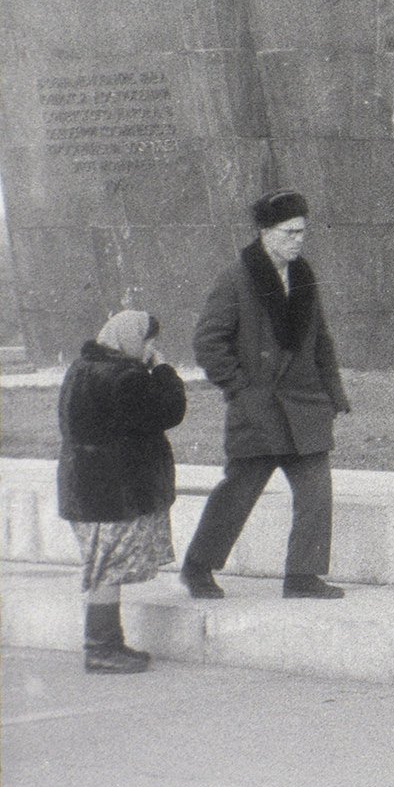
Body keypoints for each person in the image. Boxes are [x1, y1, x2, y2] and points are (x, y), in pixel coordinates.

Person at [181, 192, 353, 600]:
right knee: (238, 494)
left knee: (316, 495)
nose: (299, 240)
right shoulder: (236, 278)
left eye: (303, 232)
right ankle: (197, 567)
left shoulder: (304, 274)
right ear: (264, 233)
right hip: (259, 410)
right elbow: (208, 342)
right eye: (290, 232)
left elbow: (321, 340)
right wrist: (241, 391)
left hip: (306, 405)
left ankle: (302, 578)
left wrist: (332, 393)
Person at [59, 310, 186, 673]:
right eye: (149, 341)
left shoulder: (80, 368)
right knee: (108, 570)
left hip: (83, 486)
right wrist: (163, 372)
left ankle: (106, 644)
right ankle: (102, 648)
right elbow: (169, 411)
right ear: (133, 340)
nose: (152, 348)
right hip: (115, 490)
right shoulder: (125, 375)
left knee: (102, 567)